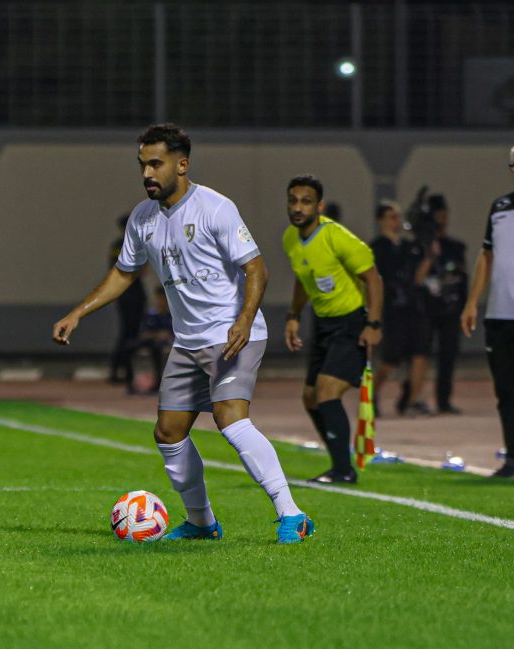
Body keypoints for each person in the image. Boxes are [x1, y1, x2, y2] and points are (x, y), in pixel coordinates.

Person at [53, 123, 315, 544]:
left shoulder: (215, 208)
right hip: (188, 341)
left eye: (156, 164)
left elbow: (257, 269)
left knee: (231, 419)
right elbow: (123, 273)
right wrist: (78, 313)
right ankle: (202, 523)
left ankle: (293, 514)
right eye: (142, 165)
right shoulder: (143, 219)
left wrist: (244, 320)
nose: (147, 174)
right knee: (169, 432)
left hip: (232, 335)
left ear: (182, 163)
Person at [283, 175, 384, 484]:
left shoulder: (337, 238)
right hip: (322, 323)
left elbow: (374, 280)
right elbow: (304, 278)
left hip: (351, 322)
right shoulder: (291, 238)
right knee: (311, 398)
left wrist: (373, 324)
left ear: (320, 206)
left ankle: (343, 471)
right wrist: (293, 315)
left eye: (306, 201)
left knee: (327, 392)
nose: (298, 207)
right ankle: (340, 462)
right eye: (293, 201)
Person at [461, 146, 514, 478]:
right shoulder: (500, 207)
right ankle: (512, 458)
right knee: (506, 390)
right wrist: (471, 302)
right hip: (500, 315)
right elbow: (487, 255)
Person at [368, 200, 431, 416]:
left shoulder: (407, 246)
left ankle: (412, 400)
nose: (397, 221)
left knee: (419, 353)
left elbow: (418, 275)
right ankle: (371, 395)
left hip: (412, 306)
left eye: (398, 216)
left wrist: (428, 252)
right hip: (391, 308)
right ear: (381, 220)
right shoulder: (377, 247)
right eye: (391, 216)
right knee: (390, 360)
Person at [423, 194, 467, 414]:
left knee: (448, 356)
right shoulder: (421, 247)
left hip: (450, 310)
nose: (442, 220)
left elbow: (462, 280)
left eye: (444, 215)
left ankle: (443, 400)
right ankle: (411, 397)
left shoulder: (456, 247)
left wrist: (465, 308)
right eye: (438, 216)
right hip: (426, 310)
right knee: (419, 355)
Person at [108, 213, 148, 391]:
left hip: (125, 293)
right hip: (131, 293)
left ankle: (121, 371)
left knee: (128, 333)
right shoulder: (129, 245)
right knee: (130, 334)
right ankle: (122, 371)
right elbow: (140, 269)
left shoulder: (118, 246)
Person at [133, 285, 174, 393]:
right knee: (130, 347)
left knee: (162, 350)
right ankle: (131, 383)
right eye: (159, 298)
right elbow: (144, 333)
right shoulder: (151, 315)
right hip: (151, 343)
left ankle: (164, 384)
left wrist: (167, 335)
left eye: (163, 298)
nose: (160, 301)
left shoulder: (172, 315)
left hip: (169, 344)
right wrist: (157, 335)